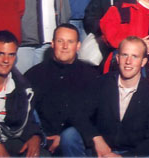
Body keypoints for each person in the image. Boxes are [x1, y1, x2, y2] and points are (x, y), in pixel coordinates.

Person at [74, 36, 149, 156]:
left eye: (135, 56)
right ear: (117, 58)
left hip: (132, 153)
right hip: (102, 150)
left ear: (143, 62)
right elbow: (80, 115)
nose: (128, 61)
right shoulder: (101, 83)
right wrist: (96, 138)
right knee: (70, 135)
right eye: (124, 55)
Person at [24, 24, 99, 156]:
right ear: (52, 44)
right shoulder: (33, 75)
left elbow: (95, 117)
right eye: (60, 41)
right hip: (44, 141)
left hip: (78, 140)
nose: (65, 46)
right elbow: (25, 113)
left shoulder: (92, 76)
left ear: (78, 46)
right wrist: (39, 136)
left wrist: (64, 137)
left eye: (70, 42)